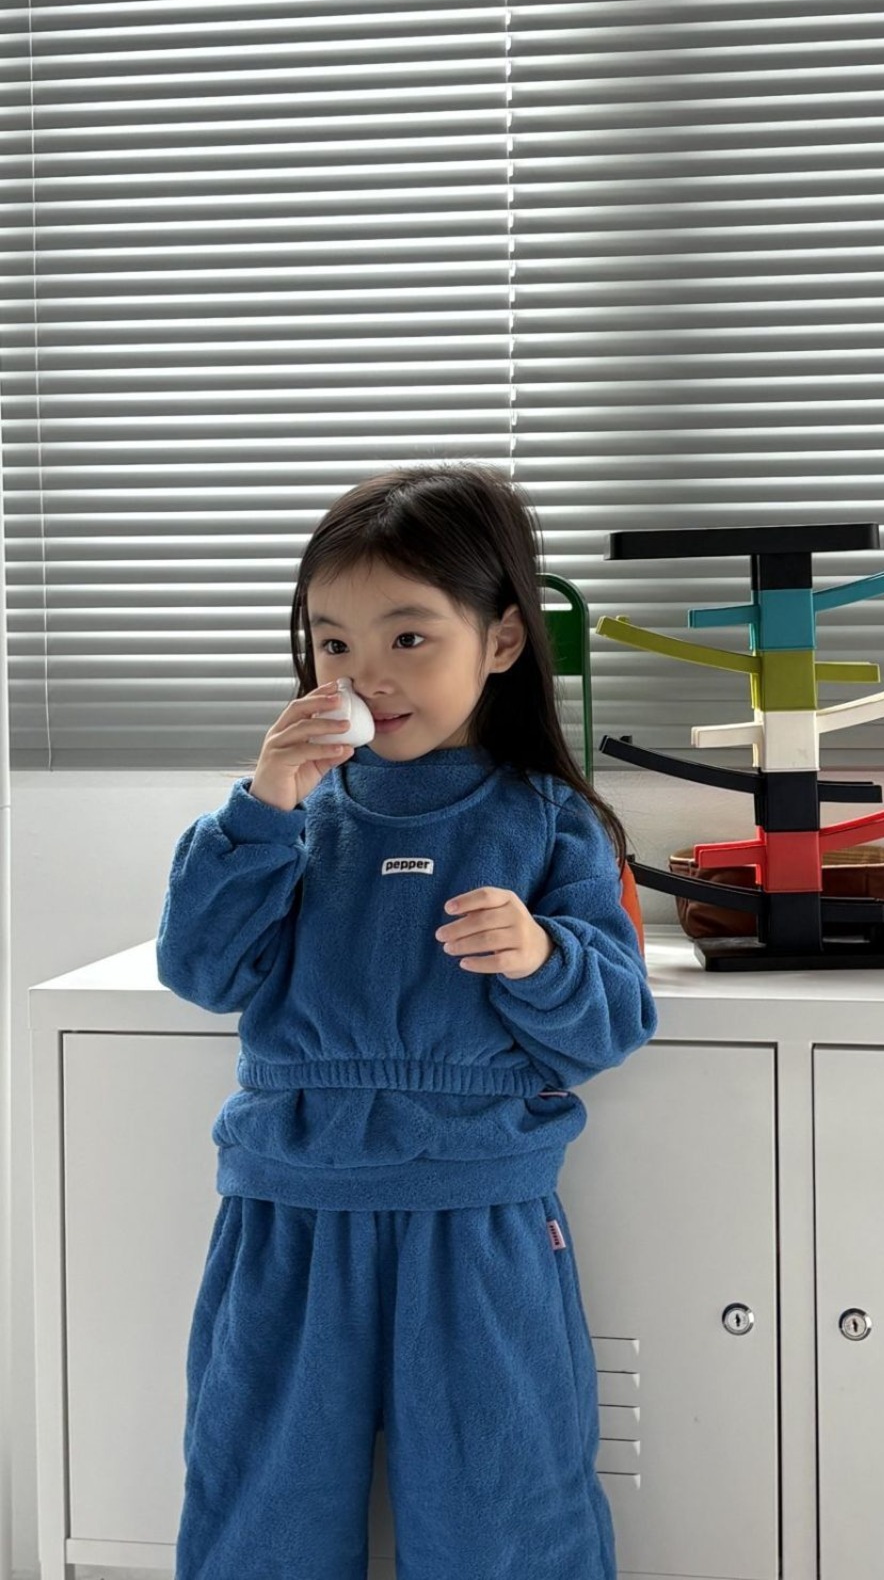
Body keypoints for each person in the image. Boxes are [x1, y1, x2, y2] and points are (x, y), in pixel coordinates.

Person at [156, 463, 658, 1580]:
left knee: (502, 1513)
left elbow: (613, 1023)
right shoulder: (292, 817)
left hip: (477, 1216)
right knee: (261, 1503)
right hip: (289, 1209)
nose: (364, 676)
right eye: (333, 642)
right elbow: (199, 969)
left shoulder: (550, 823)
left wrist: (540, 956)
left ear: (502, 641)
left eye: (409, 637)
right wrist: (262, 806)